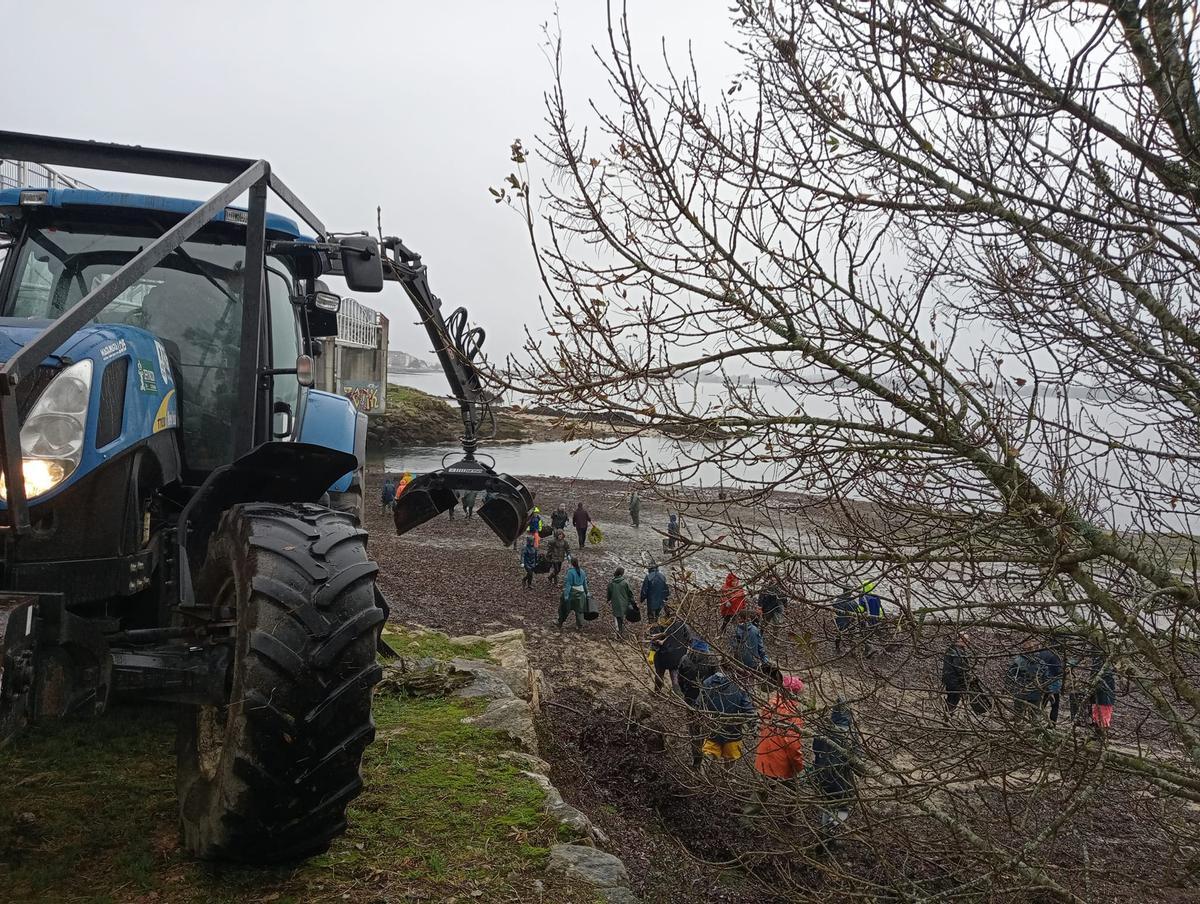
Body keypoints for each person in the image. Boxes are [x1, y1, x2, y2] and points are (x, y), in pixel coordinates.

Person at [749, 674, 806, 818]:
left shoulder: (771, 704)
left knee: (763, 788)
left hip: (765, 754)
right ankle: (790, 816)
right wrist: (798, 764)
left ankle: (749, 816)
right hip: (782, 759)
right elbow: (793, 745)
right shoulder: (793, 713)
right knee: (793, 788)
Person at [812, 700, 858, 838]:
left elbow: (815, 749)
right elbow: (857, 759)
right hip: (841, 778)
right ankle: (829, 831)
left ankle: (825, 830)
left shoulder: (823, 729)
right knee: (842, 806)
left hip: (822, 773)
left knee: (828, 804)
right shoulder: (850, 735)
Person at [699, 668, 753, 768]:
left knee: (708, 753)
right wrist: (753, 726)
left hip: (712, 728)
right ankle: (729, 780)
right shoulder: (739, 686)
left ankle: (703, 777)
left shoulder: (707, 683)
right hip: (732, 731)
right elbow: (748, 709)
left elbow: (699, 705)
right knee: (731, 757)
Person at [678, 640, 719, 766]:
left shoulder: (685, 659)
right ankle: (708, 755)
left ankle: (697, 758)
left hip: (690, 698)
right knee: (708, 728)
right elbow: (718, 680)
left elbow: (680, 679)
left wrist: (686, 692)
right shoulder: (713, 660)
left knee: (694, 729)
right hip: (708, 701)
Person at [648, 610, 691, 693]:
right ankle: (679, 697)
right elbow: (689, 639)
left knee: (659, 673)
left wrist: (652, 652)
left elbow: (654, 639)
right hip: (678, 655)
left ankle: (657, 692)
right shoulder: (683, 623)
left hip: (662, 655)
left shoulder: (661, 622)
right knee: (675, 676)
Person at [941, 632, 978, 716]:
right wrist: (966, 678)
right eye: (965, 640)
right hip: (954, 679)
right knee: (954, 698)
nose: (967, 642)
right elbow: (959, 667)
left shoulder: (951, 649)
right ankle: (948, 714)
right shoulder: (957, 652)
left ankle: (947, 714)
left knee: (951, 697)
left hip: (949, 678)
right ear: (959, 639)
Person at [1008, 640, 1044, 723]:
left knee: (1019, 712)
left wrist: (1010, 688)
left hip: (1021, 690)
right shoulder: (1040, 662)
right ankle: (1036, 730)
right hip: (1035, 691)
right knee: (1035, 713)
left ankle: (1018, 729)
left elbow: (1010, 675)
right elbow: (1044, 676)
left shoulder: (1017, 661)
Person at [1089, 653, 1117, 740]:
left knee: (1101, 716)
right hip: (1103, 697)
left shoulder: (1099, 668)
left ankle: (1100, 735)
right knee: (1100, 716)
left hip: (1103, 697)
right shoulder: (1105, 670)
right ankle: (1099, 735)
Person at [1036, 642, 1065, 725]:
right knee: (1055, 706)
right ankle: (1052, 724)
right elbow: (1058, 671)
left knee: (1042, 704)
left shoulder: (1041, 653)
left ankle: (1036, 721)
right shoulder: (1054, 656)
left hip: (1041, 683)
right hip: (1053, 684)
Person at [558, 556, 589, 631]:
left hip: (572, 593)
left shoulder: (570, 572)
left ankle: (560, 622)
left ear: (571, 563)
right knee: (579, 610)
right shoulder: (582, 571)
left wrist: (566, 595)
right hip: (581, 594)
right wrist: (587, 593)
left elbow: (568, 585)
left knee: (565, 609)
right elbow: (585, 584)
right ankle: (580, 626)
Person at [831, 587, 864, 655]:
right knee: (851, 633)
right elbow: (857, 611)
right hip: (849, 621)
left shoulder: (838, 599)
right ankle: (851, 649)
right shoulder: (853, 601)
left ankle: (837, 648)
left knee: (839, 633)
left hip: (839, 620)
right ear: (850, 592)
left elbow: (834, 607)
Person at [859, 580, 884, 657]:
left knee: (864, 634)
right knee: (873, 633)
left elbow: (861, 609)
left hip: (867, 619)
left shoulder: (863, 597)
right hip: (877, 618)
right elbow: (880, 608)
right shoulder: (876, 597)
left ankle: (868, 649)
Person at [607, 566, 634, 636]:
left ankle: (619, 631)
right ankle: (620, 631)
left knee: (617, 616)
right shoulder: (625, 583)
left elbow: (609, 593)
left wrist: (608, 599)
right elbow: (630, 593)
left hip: (615, 603)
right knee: (621, 617)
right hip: (624, 603)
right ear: (622, 574)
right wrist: (632, 600)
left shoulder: (611, 583)